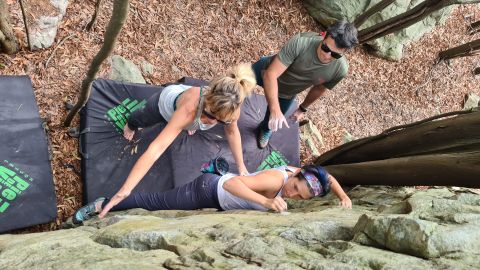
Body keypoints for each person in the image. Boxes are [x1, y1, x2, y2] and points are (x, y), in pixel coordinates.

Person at [72, 164, 352, 224]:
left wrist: (342, 196)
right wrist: (266, 201)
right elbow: (232, 185)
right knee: (153, 203)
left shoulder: (302, 171)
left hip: (219, 199)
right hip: (208, 191)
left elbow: (329, 178)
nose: (293, 194)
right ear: (294, 175)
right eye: (294, 188)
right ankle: (100, 205)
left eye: (300, 197)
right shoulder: (276, 179)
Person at [252, 19, 358, 148]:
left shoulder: (340, 70)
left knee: (272, 123)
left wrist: (302, 108)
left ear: (344, 53)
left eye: (335, 55)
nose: (327, 56)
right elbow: (271, 75)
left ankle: (265, 130)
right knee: (235, 85)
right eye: (325, 48)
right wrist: (275, 108)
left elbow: (319, 89)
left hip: (287, 92)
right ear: (324, 35)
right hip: (264, 71)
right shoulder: (301, 42)